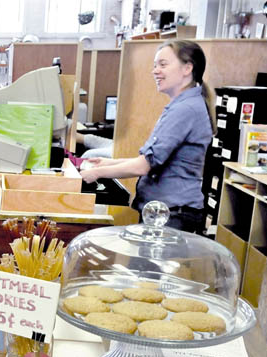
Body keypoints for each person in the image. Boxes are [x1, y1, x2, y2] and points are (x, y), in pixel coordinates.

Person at [79, 40, 215, 233]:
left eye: (163, 64)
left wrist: (97, 173)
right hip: (166, 211)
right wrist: (107, 163)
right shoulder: (183, 105)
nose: (155, 71)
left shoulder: (185, 109)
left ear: (187, 68)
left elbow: (144, 166)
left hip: (173, 214)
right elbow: (154, 160)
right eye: (154, 65)